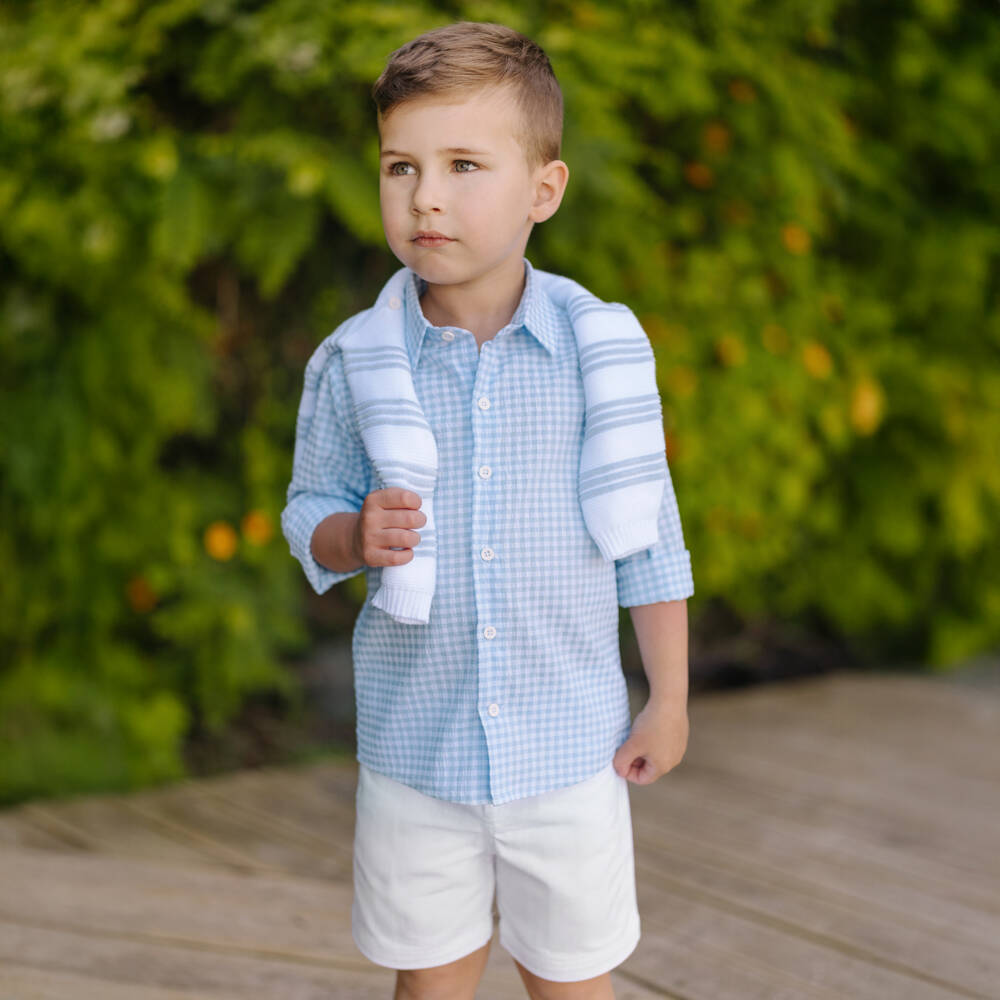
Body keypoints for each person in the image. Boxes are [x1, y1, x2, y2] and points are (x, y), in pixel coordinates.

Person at [281, 21, 694, 1000]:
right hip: (416, 752)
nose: (425, 195)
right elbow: (309, 514)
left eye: (463, 165)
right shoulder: (355, 362)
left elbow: (648, 538)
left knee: (572, 979)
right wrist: (354, 535)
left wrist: (669, 699)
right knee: (430, 981)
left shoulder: (598, 355)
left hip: (570, 749)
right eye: (401, 167)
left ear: (543, 190)